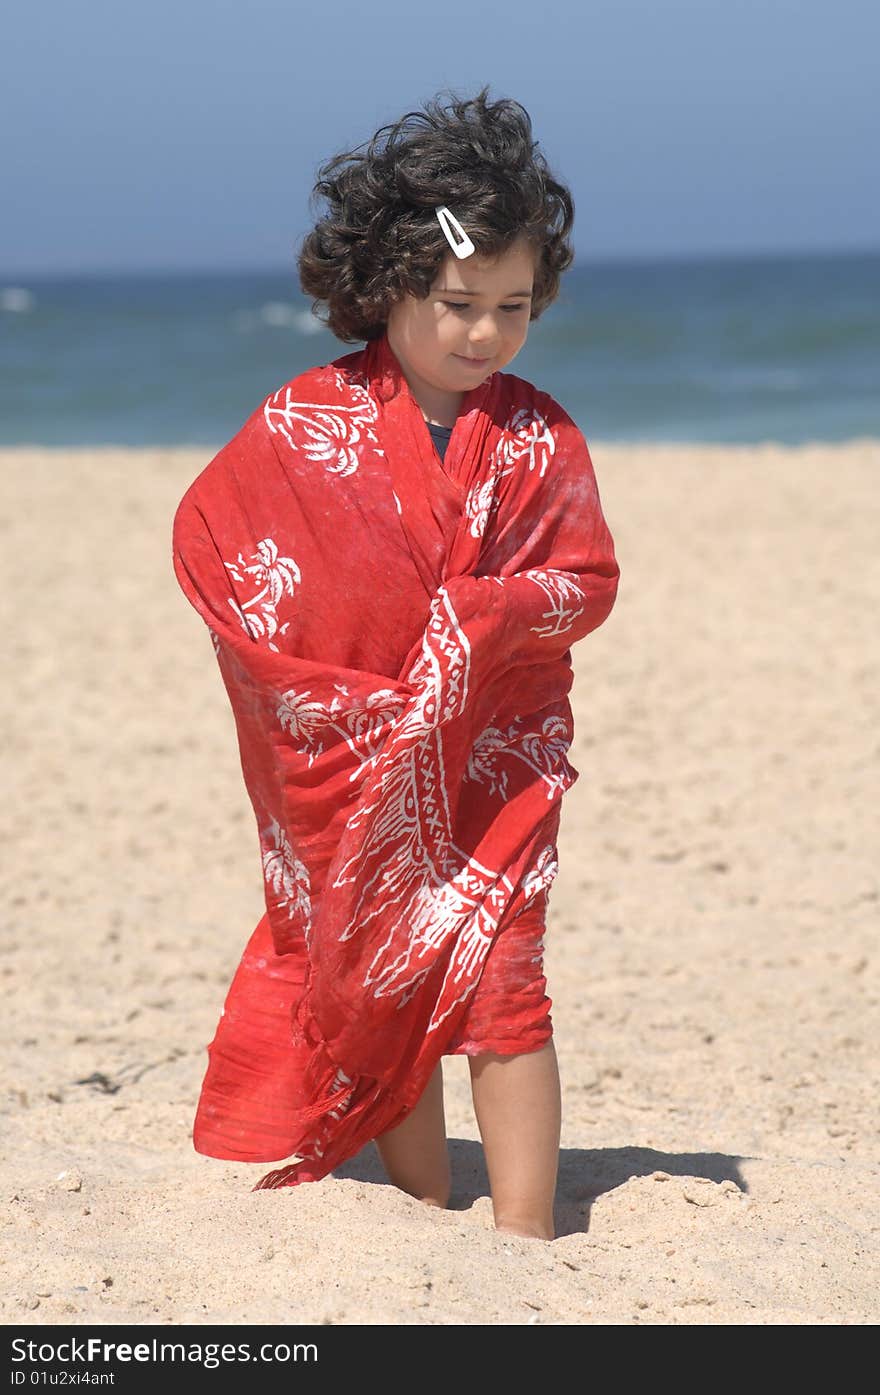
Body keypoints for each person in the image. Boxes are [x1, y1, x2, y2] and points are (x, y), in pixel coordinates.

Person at [172, 87, 619, 1241]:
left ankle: (524, 1235)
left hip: (494, 755)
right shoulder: (298, 423)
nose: (487, 334)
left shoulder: (538, 435)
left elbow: (585, 579)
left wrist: (482, 617)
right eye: (459, 304)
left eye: (514, 307)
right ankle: (424, 1211)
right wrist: (337, 697)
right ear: (389, 289)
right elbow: (225, 553)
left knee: (504, 981)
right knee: (389, 974)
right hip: (357, 760)